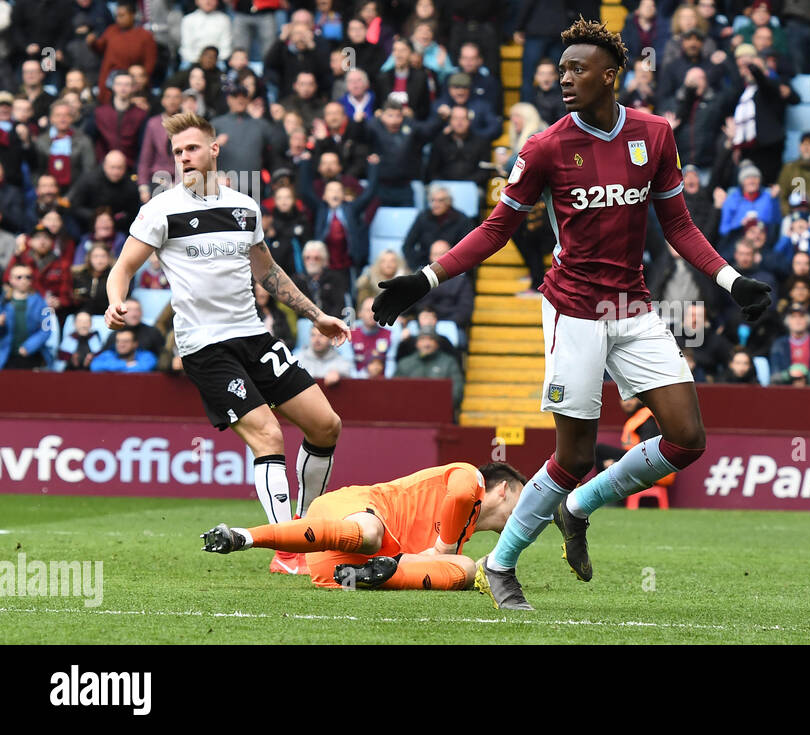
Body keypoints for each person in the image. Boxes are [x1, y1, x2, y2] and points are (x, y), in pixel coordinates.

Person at [370, 19, 771, 610]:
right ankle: (500, 565)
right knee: (574, 455)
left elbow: (679, 226)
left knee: (687, 438)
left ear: (611, 76)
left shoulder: (655, 134)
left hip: (631, 305)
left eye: (577, 70)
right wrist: (425, 279)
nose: (563, 79)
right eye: (560, 70)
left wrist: (732, 280)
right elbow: (496, 228)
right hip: (574, 310)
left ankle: (579, 505)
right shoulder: (545, 147)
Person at [105, 112, 352, 576]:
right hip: (205, 347)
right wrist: (116, 301)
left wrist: (316, 316)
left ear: (214, 150)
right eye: (177, 152)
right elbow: (121, 269)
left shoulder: (245, 207)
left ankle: (308, 528)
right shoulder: (160, 210)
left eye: (192, 148)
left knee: (326, 425)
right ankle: (289, 550)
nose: (184, 158)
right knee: (269, 436)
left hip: (254, 336)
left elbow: (269, 273)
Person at [202, 462, 526, 591]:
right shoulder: (471, 476)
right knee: (371, 535)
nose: (525, 513)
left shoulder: (462, 536)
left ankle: (365, 579)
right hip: (346, 514)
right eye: (523, 500)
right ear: (503, 489)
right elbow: (461, 493)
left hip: (336, 571)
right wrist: (443, 547)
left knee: (467, 569)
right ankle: (243, 537)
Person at [0, 263, 53, 369]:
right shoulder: (3, 302)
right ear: (11, 279)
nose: (23, 280)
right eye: (19, 277)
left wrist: (29, 347)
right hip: (6, 355)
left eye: (27, 277)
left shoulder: (42, 303)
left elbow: (46, 329)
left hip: (31, 355)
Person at [90, 329, 158, 373]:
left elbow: (145, 368)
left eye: (126, 341)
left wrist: (112, 368)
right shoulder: (108, 355)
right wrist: (125, 364)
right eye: (118, 341)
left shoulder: (147, 356)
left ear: (135, 344)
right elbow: (95, 366)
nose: (121, 345)